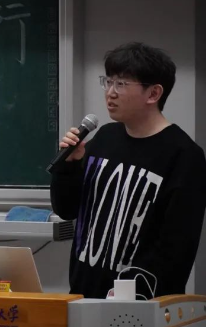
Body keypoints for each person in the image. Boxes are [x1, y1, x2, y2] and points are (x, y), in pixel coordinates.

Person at [50, 42, 206, 299]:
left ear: (153, 93)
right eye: (108, 82)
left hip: (139, 305)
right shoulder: (104, 138)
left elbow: (177, 247)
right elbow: (67, 209)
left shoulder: (184, 156)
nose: (110, 93)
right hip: (83, 296)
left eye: (121, 84)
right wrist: (69, 166)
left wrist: (137, 297)